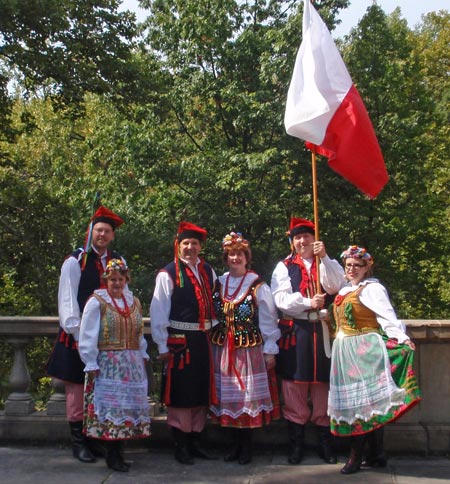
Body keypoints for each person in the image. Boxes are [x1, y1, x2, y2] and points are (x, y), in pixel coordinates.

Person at [328, 245, 421, 475]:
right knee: (361, 403)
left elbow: (386, 315)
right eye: (348, 265)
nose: (352, 269)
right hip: (344, 350)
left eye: (357, 266)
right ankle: (377, 453)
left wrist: (401, 337)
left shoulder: (372, 289)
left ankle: (356, 456)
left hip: (365, 349)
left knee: (362, 403)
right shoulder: (343, 291)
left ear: (366, 267)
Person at [46, 205, 125, 463]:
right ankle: (78, 443)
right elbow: (67, 302)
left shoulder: (117, 262)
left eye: (107, 231)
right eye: (98, 230)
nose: (102, 235)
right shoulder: (75, 261)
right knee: (77, 391)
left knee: (99, 391)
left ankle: (94, 440)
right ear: (90, 232)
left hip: (107, 340)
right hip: (78, 337)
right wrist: (80, 336)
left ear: (112, 235)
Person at [270, 217, 343, 465]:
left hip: (322, 329)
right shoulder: (284, 266)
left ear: (315, 239)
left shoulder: (325, 263)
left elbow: (336, 286)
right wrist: (306, 302)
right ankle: (296, 445)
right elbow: (280, 299)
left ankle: (325, 444)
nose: (302, 241)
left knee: (322, 385)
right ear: (292, 242)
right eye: (297, 238)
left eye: (307, 237)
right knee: (294, 386)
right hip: (296, 331)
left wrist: (327, 258)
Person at [150, 221, 218, 465]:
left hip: (204, 340)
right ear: (178, 245)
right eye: (186, 243)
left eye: (195, 243)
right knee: (181, 394)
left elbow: (217, 304)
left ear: (200, 247)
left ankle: (196, 441)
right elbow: (158, 311)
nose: (190, 247)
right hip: (180, 343)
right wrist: (162, 345)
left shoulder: (208, 271)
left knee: (201, 391)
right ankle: (181, 445)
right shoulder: (167, 273)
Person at [210, 232, 281, 465]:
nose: (235, 258)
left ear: (246, 257)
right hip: (223, 348)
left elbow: (269, 318)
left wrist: (270, 348)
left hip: (248, 349)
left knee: (245, 398)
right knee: (229, 398)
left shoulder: (257, 284)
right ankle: (233, 445)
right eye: (231, 254)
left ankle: (246, 447)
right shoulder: (219, 283)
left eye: (239, 253)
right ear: (225, 257)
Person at [78, 259, 151, 472]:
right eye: (112, 279)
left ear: (126, 280)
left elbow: (139, 331)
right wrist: (90, 361)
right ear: (106, 280)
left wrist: (142, 353)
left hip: (131, 365)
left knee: (125, 410)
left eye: (120, 279)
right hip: (107, 365)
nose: (117, 283)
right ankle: (112, 455)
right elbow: (87, 333)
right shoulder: (97, 302)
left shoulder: (133, 302)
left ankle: (120, 452)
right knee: (112, 410)